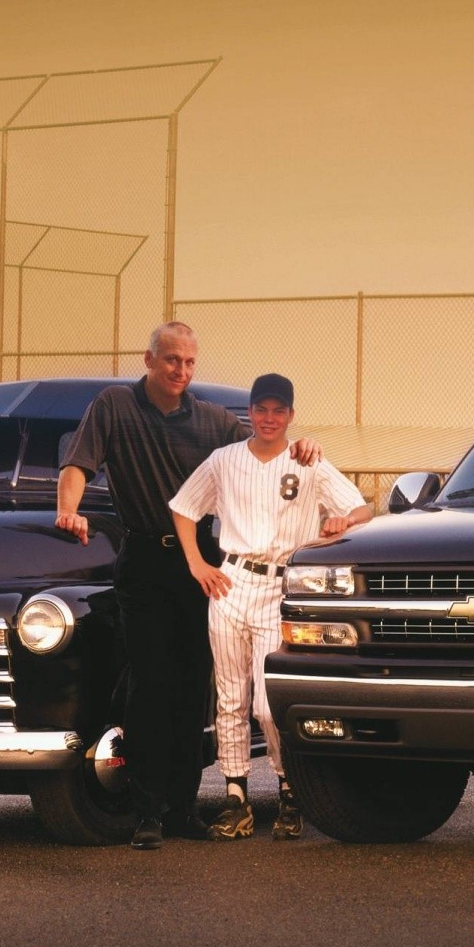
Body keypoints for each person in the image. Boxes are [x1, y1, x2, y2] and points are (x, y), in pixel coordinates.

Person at [55, 324, 320, 851]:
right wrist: (68, 509)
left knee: (196, 684)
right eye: (172, 360)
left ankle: (184, 808)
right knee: (151, 684)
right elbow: (77, 466)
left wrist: (306, 446)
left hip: (204, 564)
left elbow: (263, 446)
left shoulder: (213, 421)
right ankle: (147, 810)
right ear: (149, 359)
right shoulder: (113, 406)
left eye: (190, 362)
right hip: (145, 562)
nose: (181, 370)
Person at [169, 373, 371, 840]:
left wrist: (343, 520)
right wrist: (198, 563)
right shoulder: (224, 460)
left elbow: (361, 508)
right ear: (250, 413)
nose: (269, 418)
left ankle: (290, 790)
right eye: (261, 409)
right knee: (230, 699)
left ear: (291, 416)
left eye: (279, 411)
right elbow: (183, 509)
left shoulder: (308, 461)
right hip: (230, 581)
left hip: (279, 587)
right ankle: (235, 798)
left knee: (265, 704)